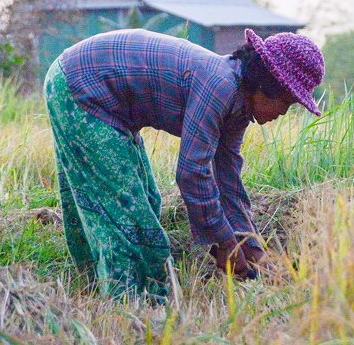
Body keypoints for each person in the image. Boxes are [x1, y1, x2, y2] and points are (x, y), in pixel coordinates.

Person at [43, 28, 324, 300]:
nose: (283, 113)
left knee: (148, 201)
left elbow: (229, 184)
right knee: (129, 217)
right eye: (286, 102)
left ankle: (97, 288)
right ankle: (131, 308)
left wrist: (252, 248)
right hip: (80, 84)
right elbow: (192, 173)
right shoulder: (220, 86)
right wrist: (225, 242)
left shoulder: (239, 106)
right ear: (266, 86)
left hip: (108, 102)